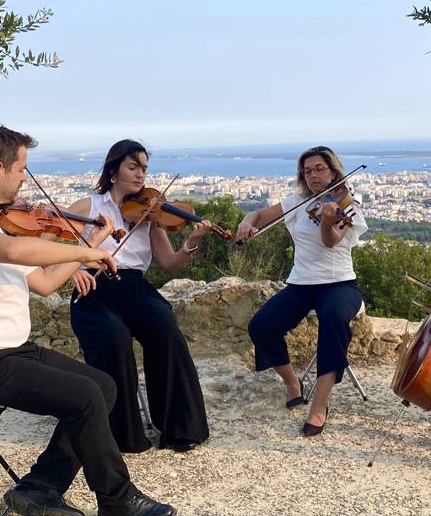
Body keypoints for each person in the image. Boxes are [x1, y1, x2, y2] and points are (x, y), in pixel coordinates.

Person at [0, 124, 175, 516]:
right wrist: (82, 256)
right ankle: (118, 500)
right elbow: (13, 252)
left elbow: (45, 283)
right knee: (83, 398)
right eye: (21, 170)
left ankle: (38, 489)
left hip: (10, 351)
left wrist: (87, 247)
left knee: (103, 385)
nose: (23, 180)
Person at [65, 139, 211, 454]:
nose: (141, 175)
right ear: (113, 170)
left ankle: (178, 427)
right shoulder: (88, 207)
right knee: (113, 338)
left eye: (144, 168)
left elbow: (170, 263)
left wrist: (190, 243)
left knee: (164, 324)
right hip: (93, 287)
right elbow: (45, 242)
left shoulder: (148, 212)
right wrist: (71, 267)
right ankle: (121, 434)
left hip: (134, 285)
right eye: (133, 167)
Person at [236, 146, 368, 437]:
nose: (313, 175)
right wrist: (247, 221)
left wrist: (328, 220)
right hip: (301, 283)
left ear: (333, 171)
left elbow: (331, 241)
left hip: (340, 283)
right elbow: (258, 214)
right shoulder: (296, 202)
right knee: (262, 326)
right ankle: (292, 382)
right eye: (307, 171)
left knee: (333, 320)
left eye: (319, 169)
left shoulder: (348, 202)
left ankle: (319, 405)